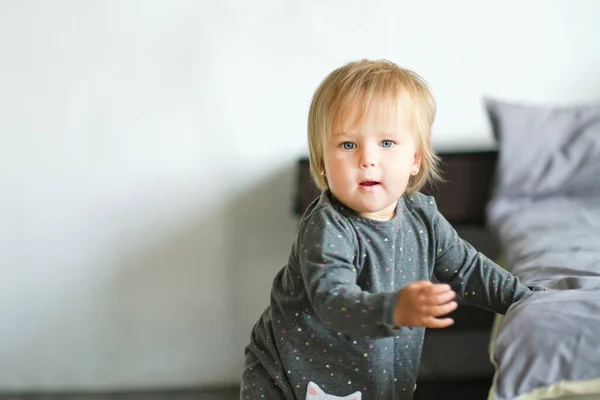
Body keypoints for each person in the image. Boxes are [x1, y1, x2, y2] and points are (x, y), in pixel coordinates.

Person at [239, 59, 542, 400]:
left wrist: (524, 300)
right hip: (288, 376)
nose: (367, 159)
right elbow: (332, 300)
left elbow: (468, 269)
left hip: (375, 378)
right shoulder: (329, 227)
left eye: (386, 143)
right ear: (323, 162)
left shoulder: (422, 216)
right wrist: (394, 310)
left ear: (415, 158)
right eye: (348, 145)